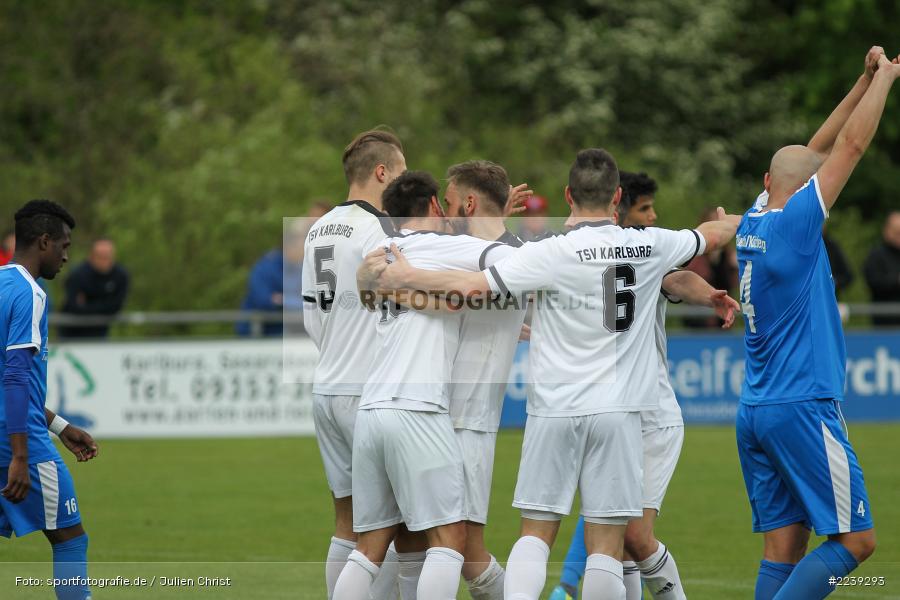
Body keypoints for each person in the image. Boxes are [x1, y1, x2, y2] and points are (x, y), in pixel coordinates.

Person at [369, 149, 739, 600]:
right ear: (617, 196)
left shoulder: (550, 252)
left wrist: (406, 274)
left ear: (568, 195)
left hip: (554, 409)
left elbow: (469, 287)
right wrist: (746, 218)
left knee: (535, 535)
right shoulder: (653, 244)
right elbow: (709, 236)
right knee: (605, 543)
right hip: (620, 409)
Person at [735, 47, 896, 600]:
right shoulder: (799, 226)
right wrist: (888, 80)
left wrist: (861, 81)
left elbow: (817, 149)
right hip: (802, 404)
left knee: (784, 545)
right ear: (807, 191)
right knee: (857, 541)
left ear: (766, 181)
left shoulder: (755, 218)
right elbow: (848, 146)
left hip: (755, 408)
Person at [548, 171, 740, 600]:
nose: (653, 217)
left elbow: (675, 278)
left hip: (651, 416)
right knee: (613, 545)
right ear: (617, 206)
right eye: (644, 209)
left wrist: (709, 293)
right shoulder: (581, 253)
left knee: (633, 536)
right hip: (604, 413)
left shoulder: (646, 253)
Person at [334, 170, 516, 600]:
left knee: (369, 547)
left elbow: (369, 290)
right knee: (450, 540)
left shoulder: (378, 252)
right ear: (435, 206)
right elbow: (511, 264)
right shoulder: (451, 247)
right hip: (417, 407)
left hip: (372, 411)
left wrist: (424, 296)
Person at [301, 128, 406, 599]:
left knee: (346, 521)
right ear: (382, 172)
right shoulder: (378, 230)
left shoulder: (318, 227)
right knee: (387, 529)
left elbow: (312, 317)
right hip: (368, 390)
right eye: (401, 174)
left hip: (327, 385)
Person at [1, 199, 99, 600]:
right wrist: (22, 456)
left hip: (16, 429)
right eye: (64, 246)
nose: (66, 256)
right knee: (70, 537)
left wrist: (60, 425)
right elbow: (14, 376)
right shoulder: (31, 293)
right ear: (44, 242)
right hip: (19, 440)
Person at [441, 160, 527, 599]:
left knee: (463, 549)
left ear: (470, 202)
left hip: (468, 422)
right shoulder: (449, 248)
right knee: (405, 541)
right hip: (427, 418)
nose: (442, 211)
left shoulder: (519, 260)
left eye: (451, 202)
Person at [59, 238, 129, 338]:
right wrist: (105, 304)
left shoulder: (121, 276)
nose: (104, 261)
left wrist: (87, 304)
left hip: (100, 333)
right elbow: (73, 307)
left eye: (107, 257)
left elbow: (116, 307)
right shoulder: (78, 275)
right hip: (71, 333)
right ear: (91, 257)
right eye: (100, 257)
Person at [684, 207, 739, 328]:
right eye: (712, 222)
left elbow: (734, 285)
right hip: (699, 321)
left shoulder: (730, 256)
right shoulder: (694, 255)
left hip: (724, 320)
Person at [863, 211, 900, 326]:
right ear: (887, 231)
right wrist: (896, 281)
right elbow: (873, 281)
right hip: (885, 323)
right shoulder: (876, 255)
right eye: (897, 232)